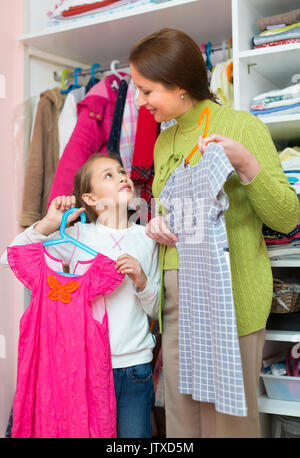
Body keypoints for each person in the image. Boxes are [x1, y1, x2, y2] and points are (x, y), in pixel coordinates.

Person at [129, 28, 300, 438]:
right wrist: (158, 225)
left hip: (231, 295)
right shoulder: (164, 139)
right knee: (182, 421)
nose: (138, 101)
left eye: (146, 90)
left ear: (180, 86)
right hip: (177, 300)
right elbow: (175, 212)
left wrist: (246, 165)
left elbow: (286, 217)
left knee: (229, 424)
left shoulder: (242, 126)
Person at [1, 153, 160, 438]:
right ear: (91, 199)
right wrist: (49, 223)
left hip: (134, 367)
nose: (122, 176)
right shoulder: (76, 237)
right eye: (109, 175)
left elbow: (156, 309)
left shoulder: (147, 238)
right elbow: (10, 256)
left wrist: (142, 280)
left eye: (122, 171)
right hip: (84, 368)